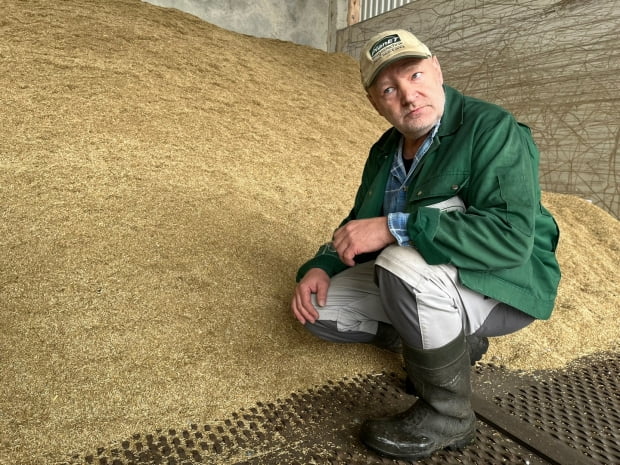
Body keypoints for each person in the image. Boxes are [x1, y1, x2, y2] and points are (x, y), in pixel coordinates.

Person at [290, 29, 561, 461]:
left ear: (436, 69)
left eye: (415, 75)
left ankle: (448, 415)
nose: (408, 96)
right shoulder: (386, 149)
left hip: (503, 285)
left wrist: (398, 227)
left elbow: (510, 240)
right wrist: (321, 265)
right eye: (389, 89)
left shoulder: (492, 128)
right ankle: (451, 346)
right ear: (374, 102)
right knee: (322, 311)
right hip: (436, 281)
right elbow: (359, 224)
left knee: (400, 261)